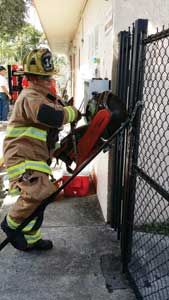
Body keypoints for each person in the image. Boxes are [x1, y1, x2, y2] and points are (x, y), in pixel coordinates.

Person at [1, 48, 81, 252]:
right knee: (38, 192)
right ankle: (11, 224)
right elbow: (50, 116)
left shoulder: (44, 95)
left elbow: (53, 115)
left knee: (44, 196)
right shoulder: (30, 96)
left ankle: (32, 238)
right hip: (22, 155)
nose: (48, 81)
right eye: (43, 77)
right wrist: (71, 113)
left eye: (49, 77)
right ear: (32, 78)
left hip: (34, 155)